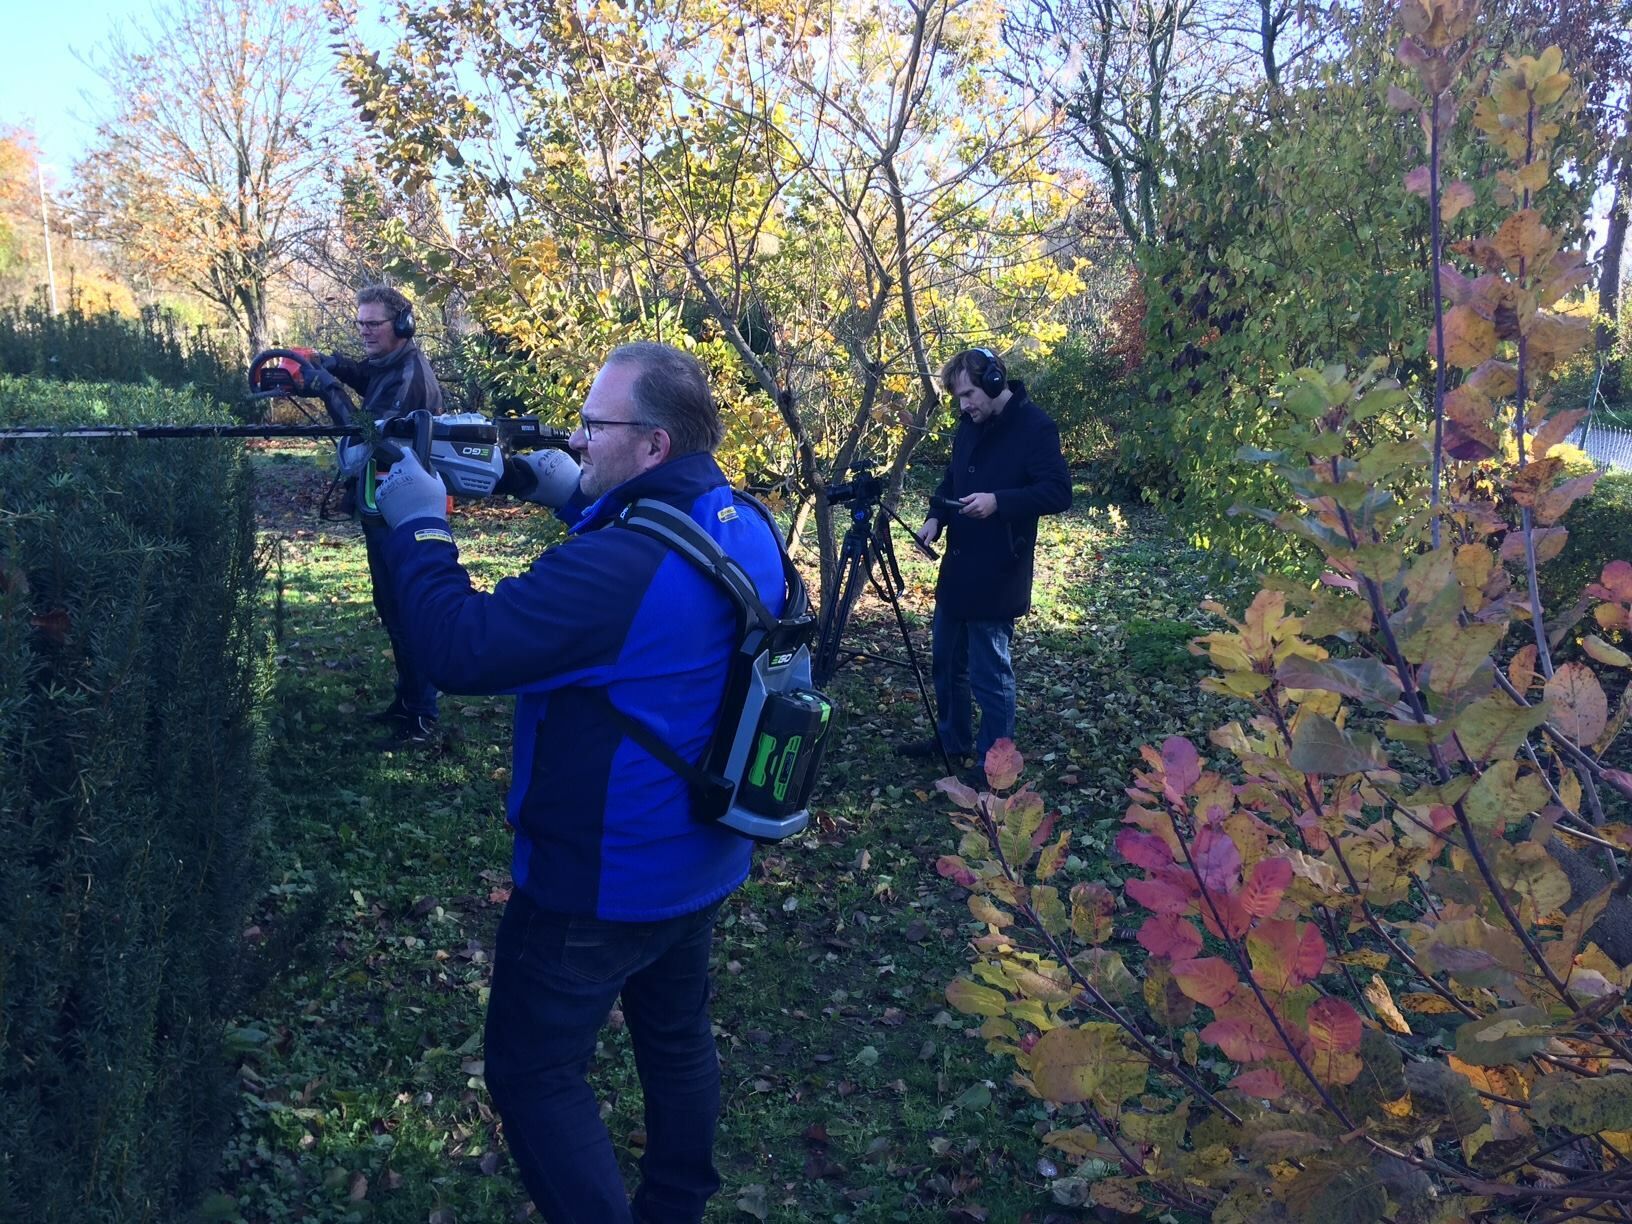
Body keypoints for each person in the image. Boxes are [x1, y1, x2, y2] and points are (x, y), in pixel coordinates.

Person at [371, 342, 787, 1223]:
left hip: (600, 882)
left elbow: (461, 647)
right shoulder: (741, 521)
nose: (578, 435)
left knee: (532, 1072)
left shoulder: (617, 572)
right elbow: (659, 589)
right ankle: (677, 1204)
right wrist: (564, 492)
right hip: (702, 856)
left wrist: (420, 524)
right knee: (675, 1038)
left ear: (654, 447)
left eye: (597, 426)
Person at [898, 347, 1071, 783]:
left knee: (989, 675)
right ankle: (952, 738)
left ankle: (996, 767)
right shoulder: (968, 426)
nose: (964, 405)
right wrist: (935, 517)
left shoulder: (1036, 428)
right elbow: (953, 479)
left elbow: (1058, 492)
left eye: (970, 394)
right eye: (958, 397)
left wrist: (999, 503)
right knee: (945, 663)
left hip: (999, 571)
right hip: (957, 572)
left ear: (995, 382)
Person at [313, 284, 446, 745]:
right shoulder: (393, 366)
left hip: (403, 508)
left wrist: (328, 388)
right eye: (361, 323)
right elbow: (370, 378)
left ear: (403, 325)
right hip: (383, 502)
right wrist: (333, 364)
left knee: (408, 611)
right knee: (391, 608)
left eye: (374, 324)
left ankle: (422, 717)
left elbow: (367, 435)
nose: (365, 331)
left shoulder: (411, 373)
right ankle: (408, 702)